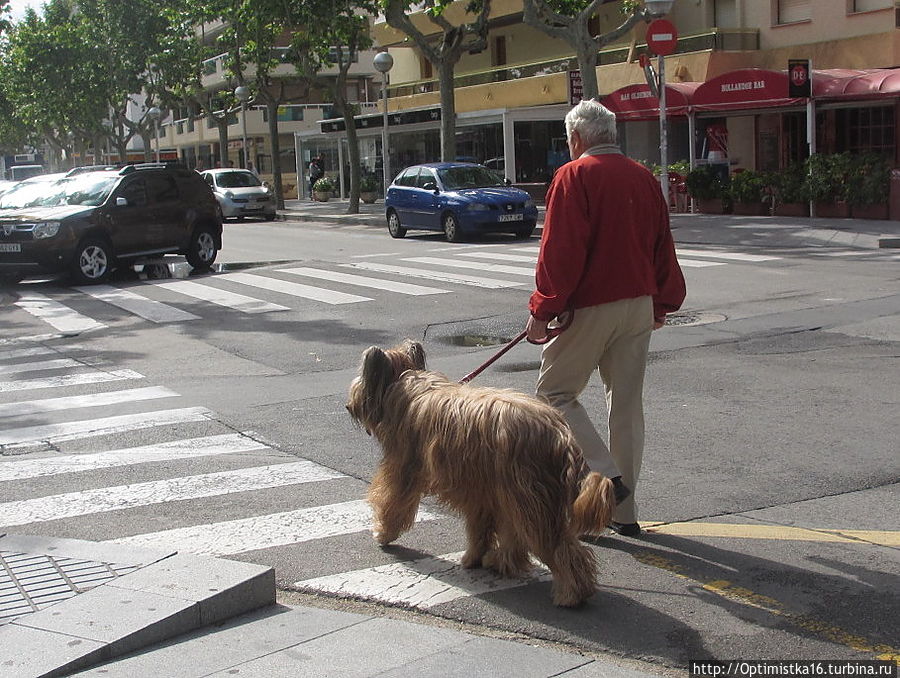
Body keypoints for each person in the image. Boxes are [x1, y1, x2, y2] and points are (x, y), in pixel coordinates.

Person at [525, 99, 686, 538]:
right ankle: (625, 513)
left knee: (554, 392)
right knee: (627, 406)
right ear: (610, 135)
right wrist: (661, 303)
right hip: (638, 303)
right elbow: (661, 243)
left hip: (592, 304)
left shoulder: (573, 175)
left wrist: (543, 309)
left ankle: (605, 474)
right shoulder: (643, 177)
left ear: (576, 138)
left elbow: (561, 252)